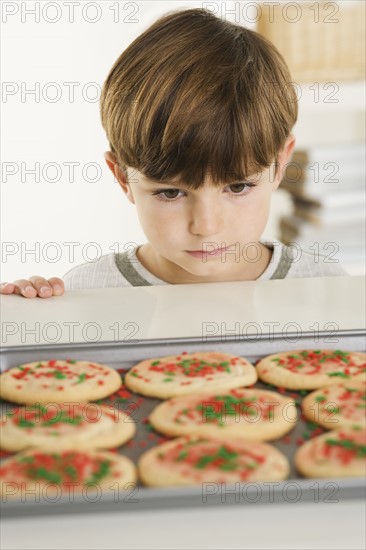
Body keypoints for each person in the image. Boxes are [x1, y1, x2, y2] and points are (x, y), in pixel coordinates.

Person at [0, 7, 346, 300]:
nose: (206, 227)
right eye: (170, 192)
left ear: (280, 163)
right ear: (123, 178)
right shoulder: (88, 294)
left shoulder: (327, 289)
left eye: (238, 187)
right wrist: (26, 325)